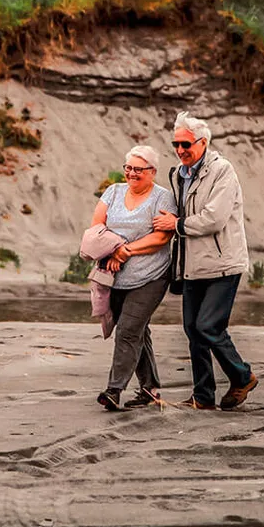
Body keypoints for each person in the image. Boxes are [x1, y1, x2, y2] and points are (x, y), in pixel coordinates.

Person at [152, 111, 258, 411]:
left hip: (224, 264)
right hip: (191, 266)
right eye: (176, 144)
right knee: (192, 330)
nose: (180, 150)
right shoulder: (178, 174)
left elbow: (214, 218)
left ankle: (242, 376)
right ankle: (203, 397)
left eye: (186, 144)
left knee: (207, 326)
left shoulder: (223, 170)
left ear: (203, 142)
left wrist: (176, 224)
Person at [91, 145, 177, 411]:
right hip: (115, 277)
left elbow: (161, 238)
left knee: (128, 331)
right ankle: (150, 389)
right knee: (138, 330)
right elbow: (96, 227)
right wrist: (114, 250)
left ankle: (113, 390)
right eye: (128, 168)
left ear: (152, 171)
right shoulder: (113, 192)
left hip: (151, 277)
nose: (131, 173)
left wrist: (125, 251)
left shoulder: (163, 198)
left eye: (138, 169)